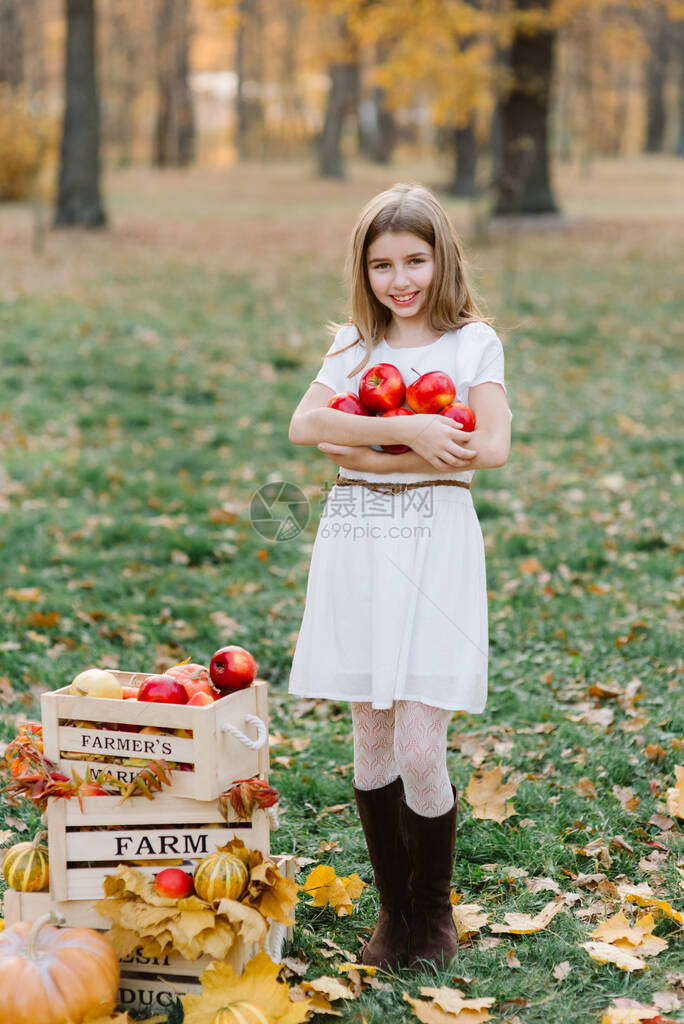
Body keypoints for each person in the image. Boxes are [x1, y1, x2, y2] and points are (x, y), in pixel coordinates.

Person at [287, 182, 512, 973]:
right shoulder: (356, 344)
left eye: (414, 259)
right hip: (359, 538)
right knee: (371, 734)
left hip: (436, 538)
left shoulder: (472, 344)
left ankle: (436, 908)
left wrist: (371, 446)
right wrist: (410, 426)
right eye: (382, 264)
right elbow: (305, 425)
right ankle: (394, 910)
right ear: (365, 269)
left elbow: (489, 447)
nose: (400, 279)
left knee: (423, 746)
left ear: (441, 257)